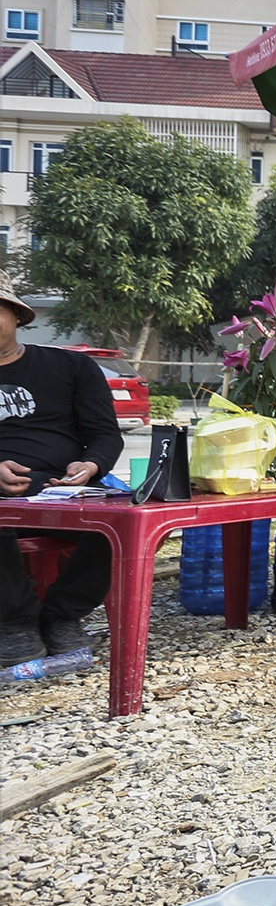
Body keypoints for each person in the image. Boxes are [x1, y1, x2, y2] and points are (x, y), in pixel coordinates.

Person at [0, 274, 121, 664]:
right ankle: (15, 622)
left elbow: (105, 436)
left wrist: (90, 464)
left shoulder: (71, 367)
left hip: (59, 489)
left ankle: (62, 616)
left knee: (119, 518)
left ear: (16, 315)